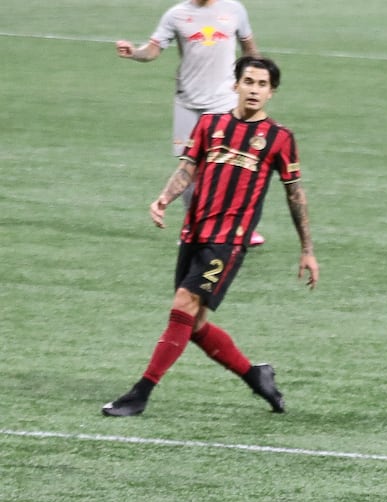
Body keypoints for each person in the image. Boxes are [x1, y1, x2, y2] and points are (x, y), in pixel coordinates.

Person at [101, 56, 317, 418]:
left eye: (262, 85)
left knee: (183, 305)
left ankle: (140, 393)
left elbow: (295, 194)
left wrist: (307, 249)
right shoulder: (209, 124)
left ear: (271, 93)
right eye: (248, 81)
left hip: (227, 242)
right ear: (235, 84)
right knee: (194, 325)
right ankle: (255, 376)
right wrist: (164, 198)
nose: (254, 89)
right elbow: (188, 167)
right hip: (194, 233)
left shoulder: (279, 139)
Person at [115, 0, 264, 245]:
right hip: (188, 102)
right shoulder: (176, 14)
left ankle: (238, 228)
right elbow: (152, 50)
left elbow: (250, 50)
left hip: (223, 101)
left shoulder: (234, 9)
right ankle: (193, 227)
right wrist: (134, 53)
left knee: (229, 166)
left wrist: (258, 80)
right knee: (189, 167)